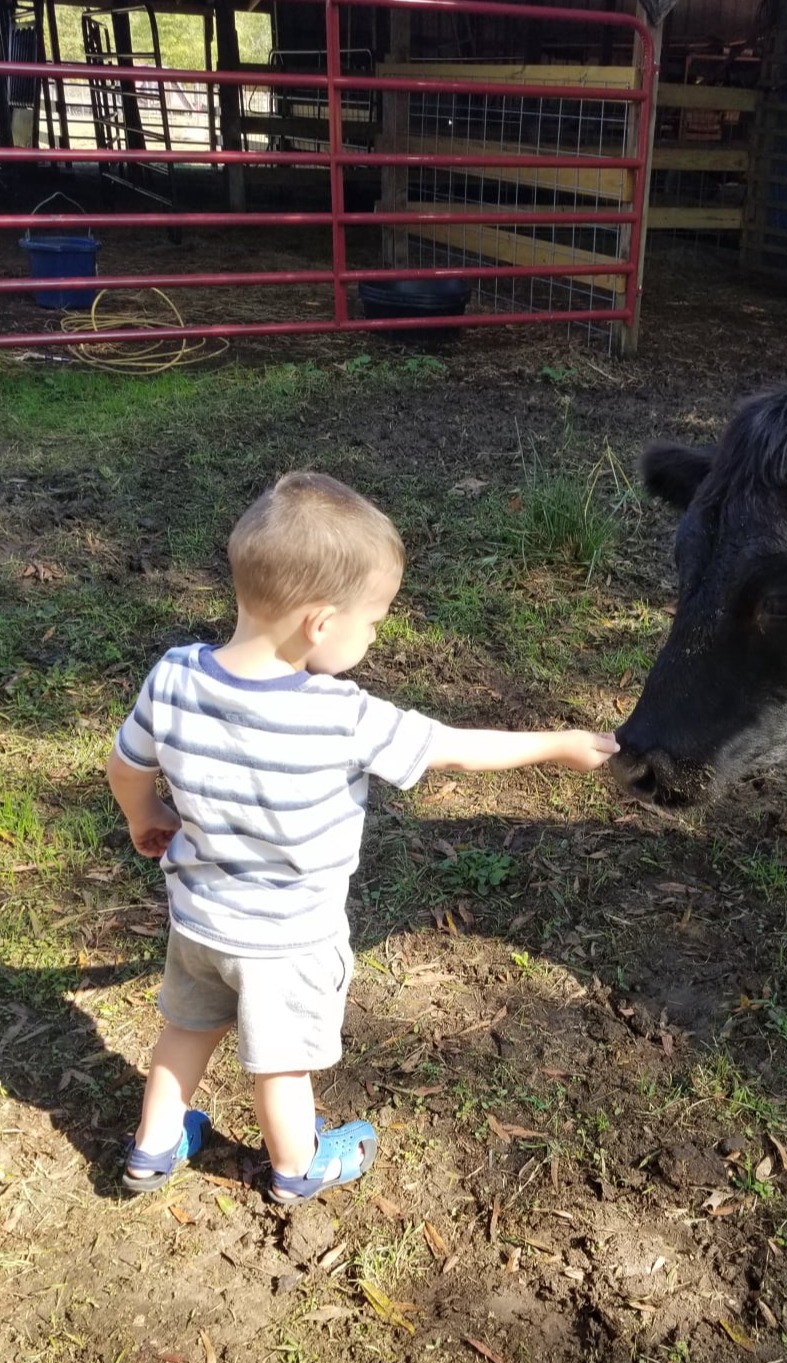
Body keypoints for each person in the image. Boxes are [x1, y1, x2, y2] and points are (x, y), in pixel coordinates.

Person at [107, 471, 618, 1205]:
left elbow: (125, 765)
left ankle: (152, 1149)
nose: (376, 634)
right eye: (374, 620)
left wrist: (144, 814)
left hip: (198, 920)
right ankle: (296, 1167)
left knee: (184, 1031)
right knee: (281, 1065)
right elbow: (454, 747)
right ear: (320, 623)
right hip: (290, 939)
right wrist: (561, 743)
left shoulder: (175, 675)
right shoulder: (341, 714)